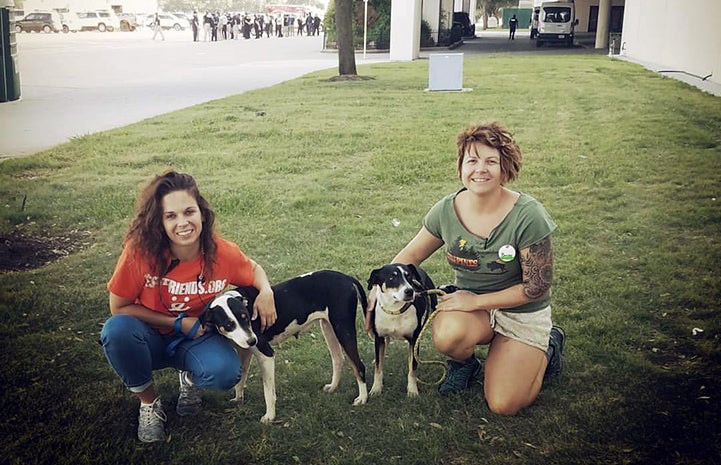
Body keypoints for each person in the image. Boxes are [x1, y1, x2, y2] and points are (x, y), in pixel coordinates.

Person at [365, 122, 564, 416]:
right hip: (474, 311)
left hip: (521, 312)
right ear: (460, 166)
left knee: (504, 404)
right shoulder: (447, 210)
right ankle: (465, 363)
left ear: (505, 168)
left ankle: (548, 347)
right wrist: (378, 296)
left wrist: (475, 301)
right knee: (447, 334)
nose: (480, 169)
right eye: (471, 160)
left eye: (490, 161)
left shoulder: (528, 215)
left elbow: (536, 287)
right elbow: (408, 257)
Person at [100, 170, 277, 442]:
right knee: (116, 331)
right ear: (159, 221)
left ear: (202, 214)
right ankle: (149, 403)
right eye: (170, 216)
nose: (182, 223)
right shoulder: (140, 253)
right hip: (148, 338)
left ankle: (191, 379)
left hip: (197, 337)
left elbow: (253, 270)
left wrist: (265, 290)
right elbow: (119, 307)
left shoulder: (221, 253)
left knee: (226, 372)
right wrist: (175, 322)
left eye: (189, 212)